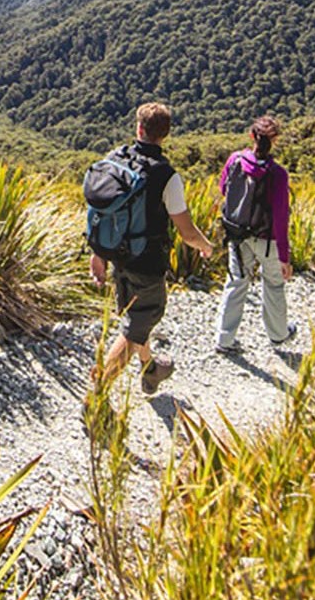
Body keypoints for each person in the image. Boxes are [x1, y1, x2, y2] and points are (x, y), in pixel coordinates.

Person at [89, 102, 215, 392]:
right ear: (166, 134)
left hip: (118, 258)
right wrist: (206, 246)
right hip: (147, 264)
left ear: (139, 128)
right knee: (135, 330)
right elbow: (187, 232)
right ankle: (97, 393)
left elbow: (102, 212)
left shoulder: (116, 160)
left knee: (138, 321)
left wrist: (99, 254)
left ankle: (150, 370)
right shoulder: (166, 176)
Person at [213, 115, 294, 354]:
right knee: (274, 285)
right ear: (275, 140)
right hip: (267, 239)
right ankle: (279, 335)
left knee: (236, 283)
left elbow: (223, 189)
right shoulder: (278, 174)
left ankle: (224, 339)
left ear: (252, 136)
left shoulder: (235, 160)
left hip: (238, 234)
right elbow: (281, 217)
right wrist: (284, 256)